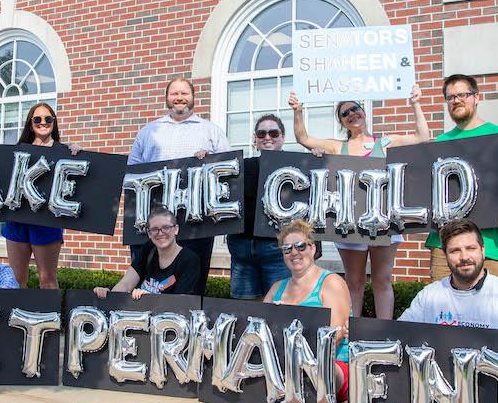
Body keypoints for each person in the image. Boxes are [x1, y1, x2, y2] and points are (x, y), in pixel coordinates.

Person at [287, 85, 432, 319]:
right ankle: (352, 334)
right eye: (345, 113)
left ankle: (384, 335)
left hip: (382, 219)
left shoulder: (383, 143)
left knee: (383, 281)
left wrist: (415, 103)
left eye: (355, 108)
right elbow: (304, 138)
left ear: (363, 112)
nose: (352, 113)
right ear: (342, 122)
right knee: (354, 283)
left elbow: (422, 138)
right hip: (350, 223)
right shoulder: (338, 146)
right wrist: (297, 110)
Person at [127, 77, 230, 294]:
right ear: (167, 98)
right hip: (154, 221)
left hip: (197, 222)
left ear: (193, 97)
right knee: (144, 281)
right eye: (174, 93)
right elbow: (131, 172)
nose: (179, 98)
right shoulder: (148, 132)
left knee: (193, 283)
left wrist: (211, 159)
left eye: (184, 93)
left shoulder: (211, 131)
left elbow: (228, 170)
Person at [0, 102, 81, 289]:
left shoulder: (63, 152)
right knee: (17, 279)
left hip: (47, 221)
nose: (43, 122)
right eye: (37, 119)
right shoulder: (18, 150)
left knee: (47, 278)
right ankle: (18, 317)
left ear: (54, 122)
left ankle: (51, 317)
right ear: (30, 123)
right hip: (17, 219)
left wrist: (76, 152)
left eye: (48, 119)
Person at [425, 74, 498, 281]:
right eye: (450, 97)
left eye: (462, 95)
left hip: (490, 244)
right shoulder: (440, 142)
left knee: (489, 310)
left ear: (477, 97)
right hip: (444, 245)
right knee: (443, 309)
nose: (456, 100)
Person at [399, 219, 498, 336]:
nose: (464, 257)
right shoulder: (428, 296)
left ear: (482, 250)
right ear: (445, 254)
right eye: (455, 251)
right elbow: (399, 334)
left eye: (471, 248)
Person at [264, 219, 353, 403]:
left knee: (320, 371)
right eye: (287, 248)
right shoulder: (276, 288)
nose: (294, 252)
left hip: (331, 367)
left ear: (313, 249)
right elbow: (260, 328)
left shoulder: (331, 283)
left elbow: (333, 337)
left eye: (300, 246)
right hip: (285, 366)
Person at [226, 114, 291, 300]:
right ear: (255, 139)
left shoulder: (296, 166)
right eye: (261, 134)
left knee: (279, 306)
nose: (267, 137)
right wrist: (203, 159)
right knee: (244, 308)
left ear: (282, 137)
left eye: (273, 132)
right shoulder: (240, 166)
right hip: (241, 247)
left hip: (276, 248)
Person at [94, 206, 201, 300]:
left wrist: (150, 299)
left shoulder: (189, 260)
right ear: (149, 233)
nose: (160, 233)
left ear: (176, 229)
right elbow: (126, 284)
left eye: (166, 227)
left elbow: (181, 303)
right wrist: (110, 296)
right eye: (155, 229)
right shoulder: (148, 249)